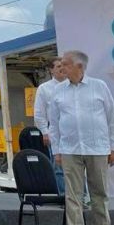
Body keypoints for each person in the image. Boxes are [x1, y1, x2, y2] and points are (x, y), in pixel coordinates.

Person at [49, 50, 114, 225]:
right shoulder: (58, 91)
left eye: (65, 64)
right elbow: (53, 125)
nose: (61, 67)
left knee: (99, 194)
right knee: (73, 195)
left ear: (79, 66)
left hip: (98, 148)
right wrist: (57, 151)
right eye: (60, 64)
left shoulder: (99, 87)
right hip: (70, 150)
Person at [33, 57, 67, 193]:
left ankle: (82, 197)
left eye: (63, 66)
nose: (62, 69)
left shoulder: (73, 85)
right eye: (58, 66)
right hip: (55, 133)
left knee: (77, 167)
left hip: (73, 133)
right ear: (51, 70)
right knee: (59, 166)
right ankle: (63, 195)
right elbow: (39, 113)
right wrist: (45, 132)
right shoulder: (44, 89)